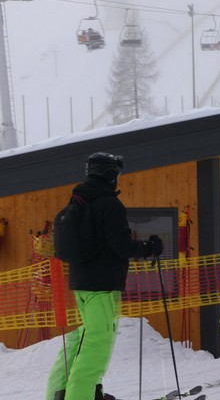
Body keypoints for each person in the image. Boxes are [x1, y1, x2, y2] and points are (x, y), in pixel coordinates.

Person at [46, 152, 163, 400]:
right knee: (97, 344)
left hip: (80, 284)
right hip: (101, 286)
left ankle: (60, 393)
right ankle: (80, 396)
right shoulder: (109, 204)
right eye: (116, 174)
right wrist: (150, 248)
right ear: (110, 175)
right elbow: (120, 246)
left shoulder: (78, 202)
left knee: (80, 338)